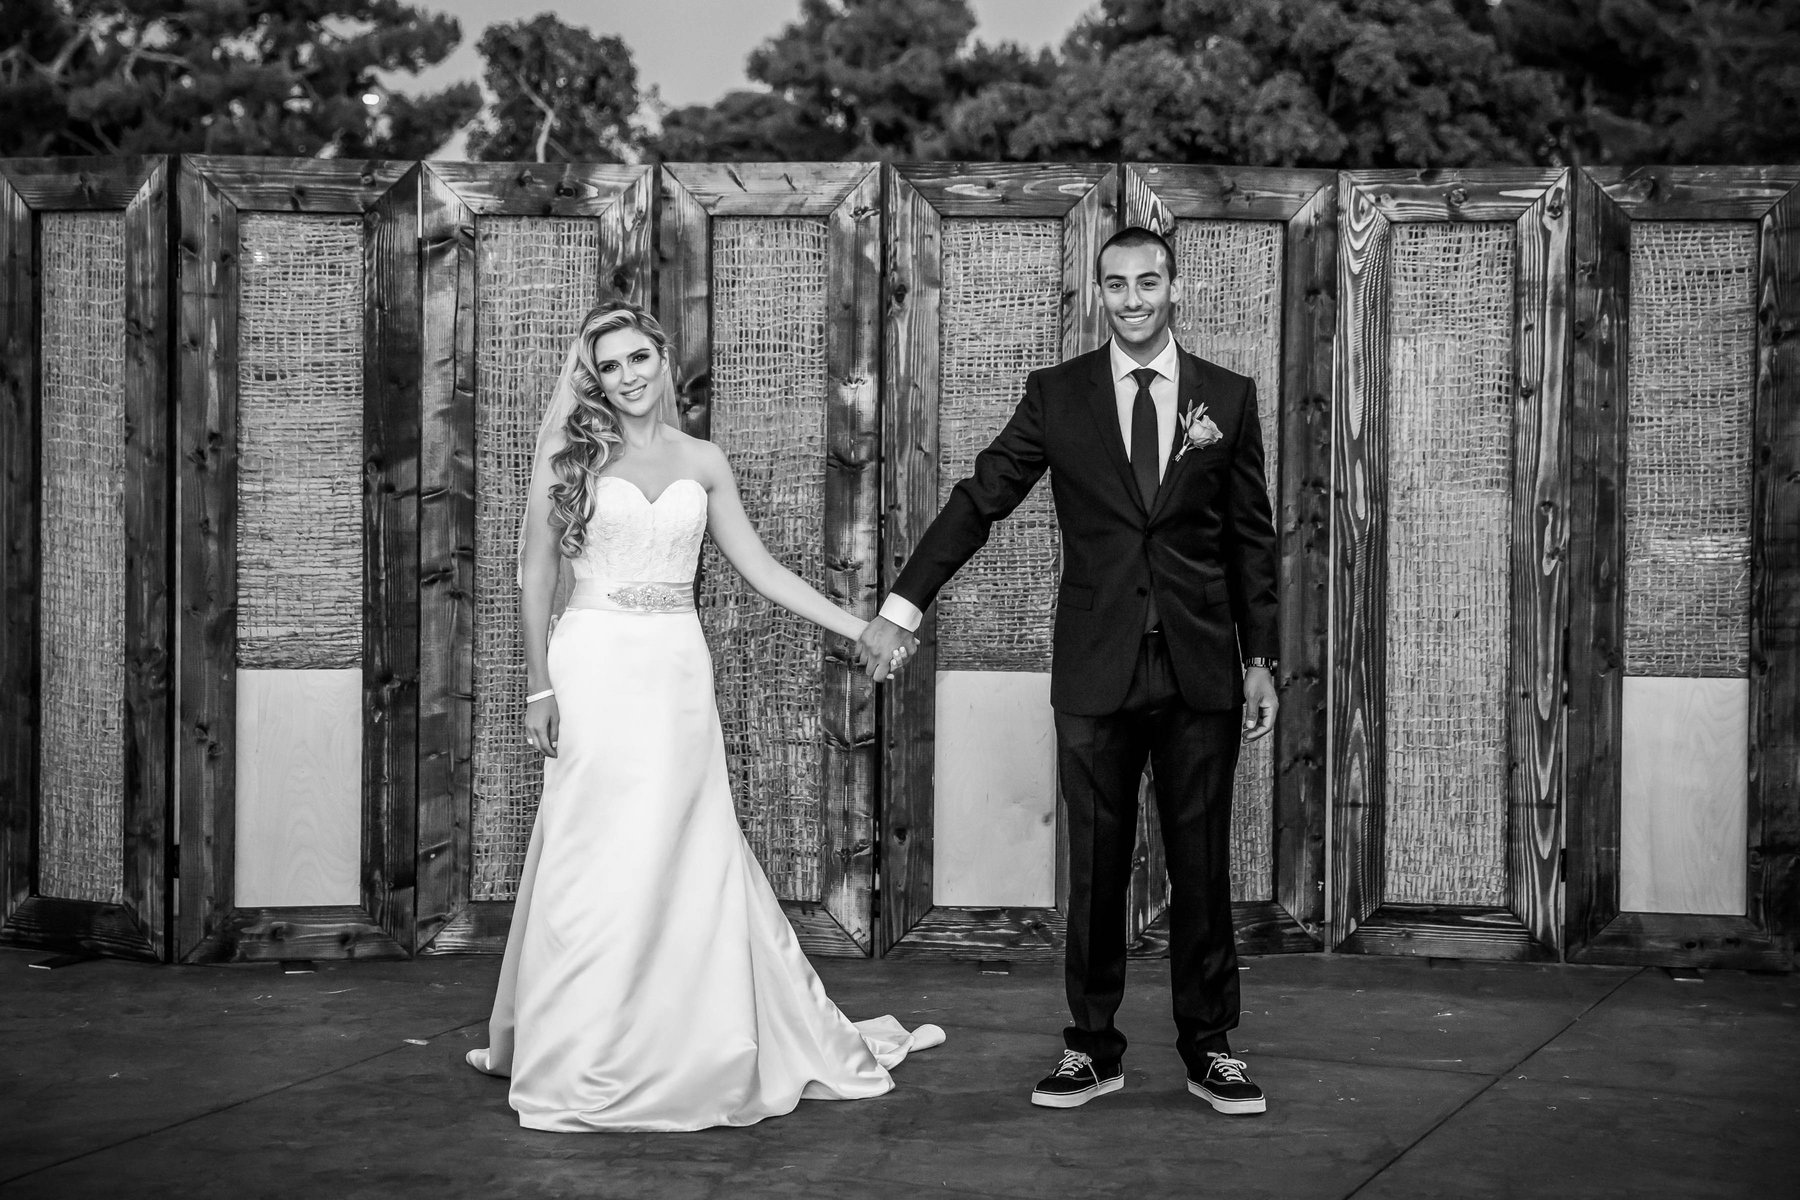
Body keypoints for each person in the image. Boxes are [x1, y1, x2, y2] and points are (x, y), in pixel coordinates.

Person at [466, 300, 942, 1133]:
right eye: (609, 366)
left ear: (663, 357)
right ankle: (578, 1047)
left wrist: (860, 626)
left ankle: (681, 1036)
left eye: (639, 358)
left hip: (677, 670)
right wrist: (538, 687)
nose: (627, 377)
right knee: (592, 849)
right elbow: (536, 576)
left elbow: (763, 570)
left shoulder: (704, 460)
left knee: (682, 843)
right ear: (593, 378)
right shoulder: (572, 457)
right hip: (594, 662)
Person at [857, 227, 1279, 1115]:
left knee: (1202, 867)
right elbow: (981, 498)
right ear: (1100, 294)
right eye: (1116, 285)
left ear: (1175, 289)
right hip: (1095, 670)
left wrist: (1261, 660)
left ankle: (1211, 1049)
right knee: (1096, 867)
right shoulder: (1057, 395)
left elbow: (1252, 541)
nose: (1133, 299)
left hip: (1201, 669)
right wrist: (903, 606)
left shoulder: (1228, 398)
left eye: (1148, 282)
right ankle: (1091, 1048)